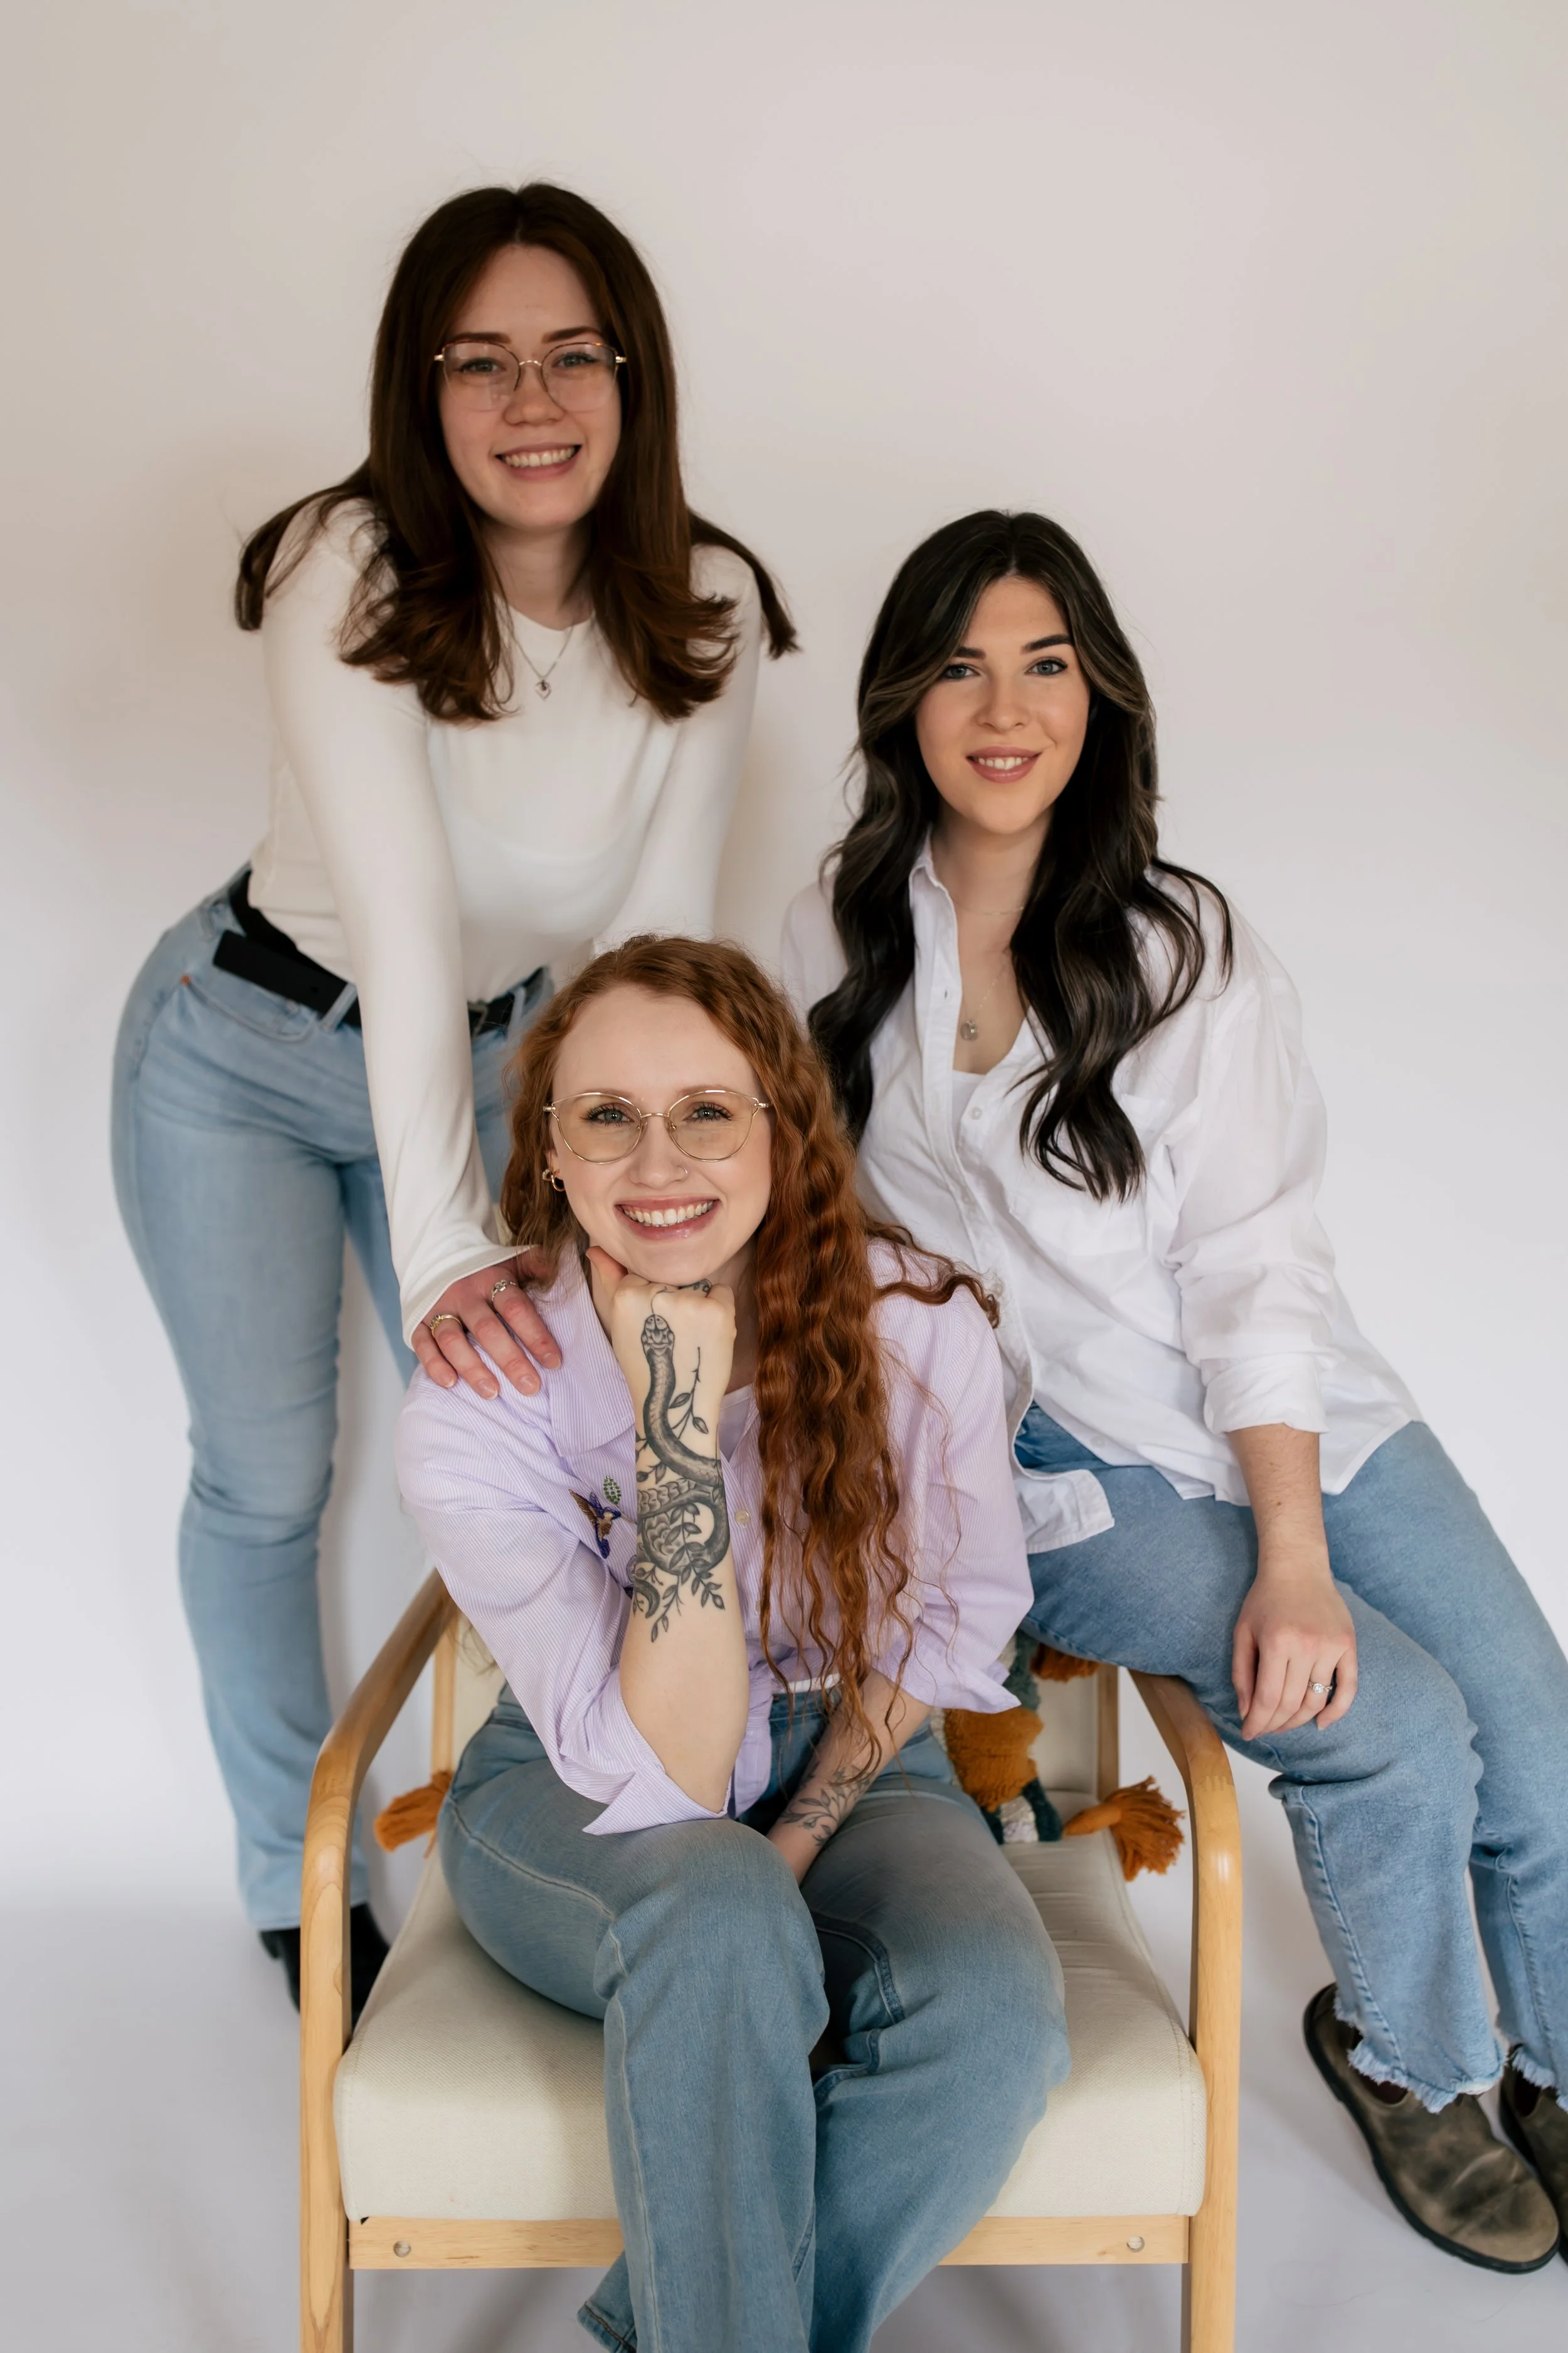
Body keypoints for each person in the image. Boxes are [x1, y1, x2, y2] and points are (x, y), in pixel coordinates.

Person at [783, 508, 1568, 2275]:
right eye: (963, 664)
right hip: (1053, 1469)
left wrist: (1289, 1543)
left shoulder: (1177, 944)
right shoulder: (838, 937)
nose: (1005, 706)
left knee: (1533, 1723)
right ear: (903, 698)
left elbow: (1253, 1270)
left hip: (1288, 1409)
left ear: (1100, 693)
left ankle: (1559, 2058)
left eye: (1045, 661)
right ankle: (1411, 2061)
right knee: (1392, 1723)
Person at [110, 182, 793, 2011]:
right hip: (246, 1046)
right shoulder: (344, 566)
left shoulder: (708, 606)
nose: (530, 398)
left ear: (633, 378)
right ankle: (292, 1875)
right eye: (477, 361)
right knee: (266, 1476)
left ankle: (566, 1817)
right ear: (419, 394)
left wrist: (658, 1211)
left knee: (540, 1459)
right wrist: (443, 1269)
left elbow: (653, 963)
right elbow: (404, 932)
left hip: (505, 1056)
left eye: (573, 353)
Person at [395, 934, 1066, 2353]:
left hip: (864, 1754)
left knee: (992, 2016)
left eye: (706, 1110)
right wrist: (674, 1422)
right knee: (708, 1902)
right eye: (606, 1118)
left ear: (781, 1128)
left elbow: (944, 1621)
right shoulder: (481, 1396)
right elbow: (676, 1782)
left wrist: (806, 1836)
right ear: (552, 1155)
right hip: (571, 1789)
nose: (660, 1163)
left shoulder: (914, 1320)